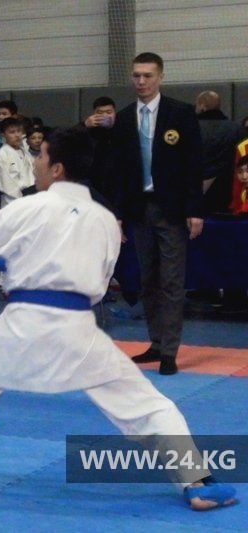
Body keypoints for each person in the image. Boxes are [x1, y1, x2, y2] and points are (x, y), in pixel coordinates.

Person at [0, 127, 237, 512]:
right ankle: (197, 481)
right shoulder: (105, 220)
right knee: (147, 406)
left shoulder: (28, 207)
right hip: (78, 330)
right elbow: (98, 284)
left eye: (41, 156)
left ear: (57, 168)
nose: (35, 164)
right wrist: (22, 264)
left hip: (19, 327)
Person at [111, 52, 204, 376]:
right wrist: (117, 214)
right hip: (139, 209)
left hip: (172, 209)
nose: (141, 81)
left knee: (171, 281)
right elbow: (119, 171)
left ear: (160, 77)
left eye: (147, 75)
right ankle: (156, 341)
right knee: (148, 279)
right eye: (136, 75)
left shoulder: (181, 113)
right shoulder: (124, 118)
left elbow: (194, 164)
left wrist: (195, 209)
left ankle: (169, 351)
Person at [195, 90, 242, 215]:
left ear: (201, 105)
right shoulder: (236, 129)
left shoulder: (187, 128)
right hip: (227, 192)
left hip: (194, 192)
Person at [0, 117, 33, 207]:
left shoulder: (26, 152)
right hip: (12, 201)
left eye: (19, 131)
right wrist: (22, 198)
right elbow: (6, 184)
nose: (17, 135)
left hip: (31, 197)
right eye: (12, 132)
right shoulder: (2, 155)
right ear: (3, 135)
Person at [82, 96, 117, 203]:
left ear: (115, 113)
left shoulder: (123, 129)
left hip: (117, 185)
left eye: (109, 112)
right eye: (100, 113)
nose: (105, 116)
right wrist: (84, 125)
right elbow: (68, 140)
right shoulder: (88, 133)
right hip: (94, 184)